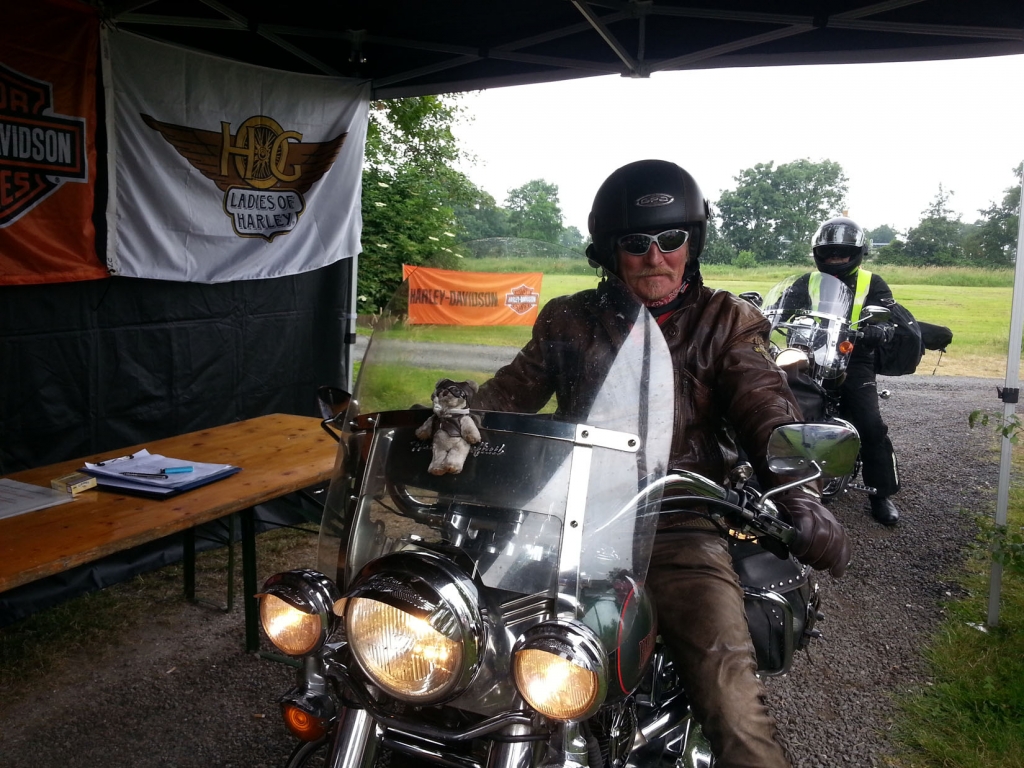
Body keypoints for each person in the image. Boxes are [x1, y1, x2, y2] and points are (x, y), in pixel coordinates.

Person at [474, 159, 851, 768]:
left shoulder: (725, 322)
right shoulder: (569, 318)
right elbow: (507, 396)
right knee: (463, 642)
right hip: (568, 518)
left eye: (671, 239)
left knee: (729, 696)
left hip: (677, 522)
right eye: (635, 243)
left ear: (691, 244)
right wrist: (450, 418)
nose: (655, 257)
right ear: (610, 251)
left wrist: (800, 498)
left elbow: (766, 411)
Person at [810, 216, 902, 526]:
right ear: (819, 253)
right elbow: (783, 309)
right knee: (777, 404)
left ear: (857, 253)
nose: (836, 258)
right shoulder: (807, 282)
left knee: (869, 423)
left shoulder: (872, 283)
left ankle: (881, 493)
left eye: (843, 252)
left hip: (855, 357)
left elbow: (890, 317)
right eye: (829, 252)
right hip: (810, 354)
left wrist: (882, 329)